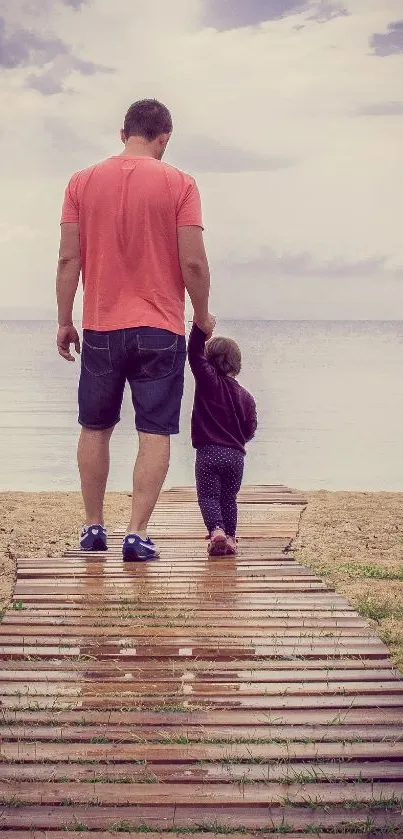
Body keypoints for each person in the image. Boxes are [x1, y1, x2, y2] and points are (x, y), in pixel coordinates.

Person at [55, 99, 215, 561]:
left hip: (101, 326)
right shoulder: (181, 183)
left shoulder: (80, 182)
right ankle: (137, 534)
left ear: (123, 132)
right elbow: (193, 261)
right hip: (161, 328)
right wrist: (202, 315)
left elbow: (69, 258)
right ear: (164, 137)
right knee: (154, 432)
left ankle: (92, 528)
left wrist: (65, 319)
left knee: (94, 427)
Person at [187, 323, 257, 556]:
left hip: (208, 453)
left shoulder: (209, 383)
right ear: (237, 365)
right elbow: (250, 428)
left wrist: (201, 327)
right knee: (229, 498)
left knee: (208, 496)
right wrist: (238, 441)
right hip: (236, 456)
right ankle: (230, 538)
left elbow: (193, 353)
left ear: (209, 361)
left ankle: (216, 529)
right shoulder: (246, 396)